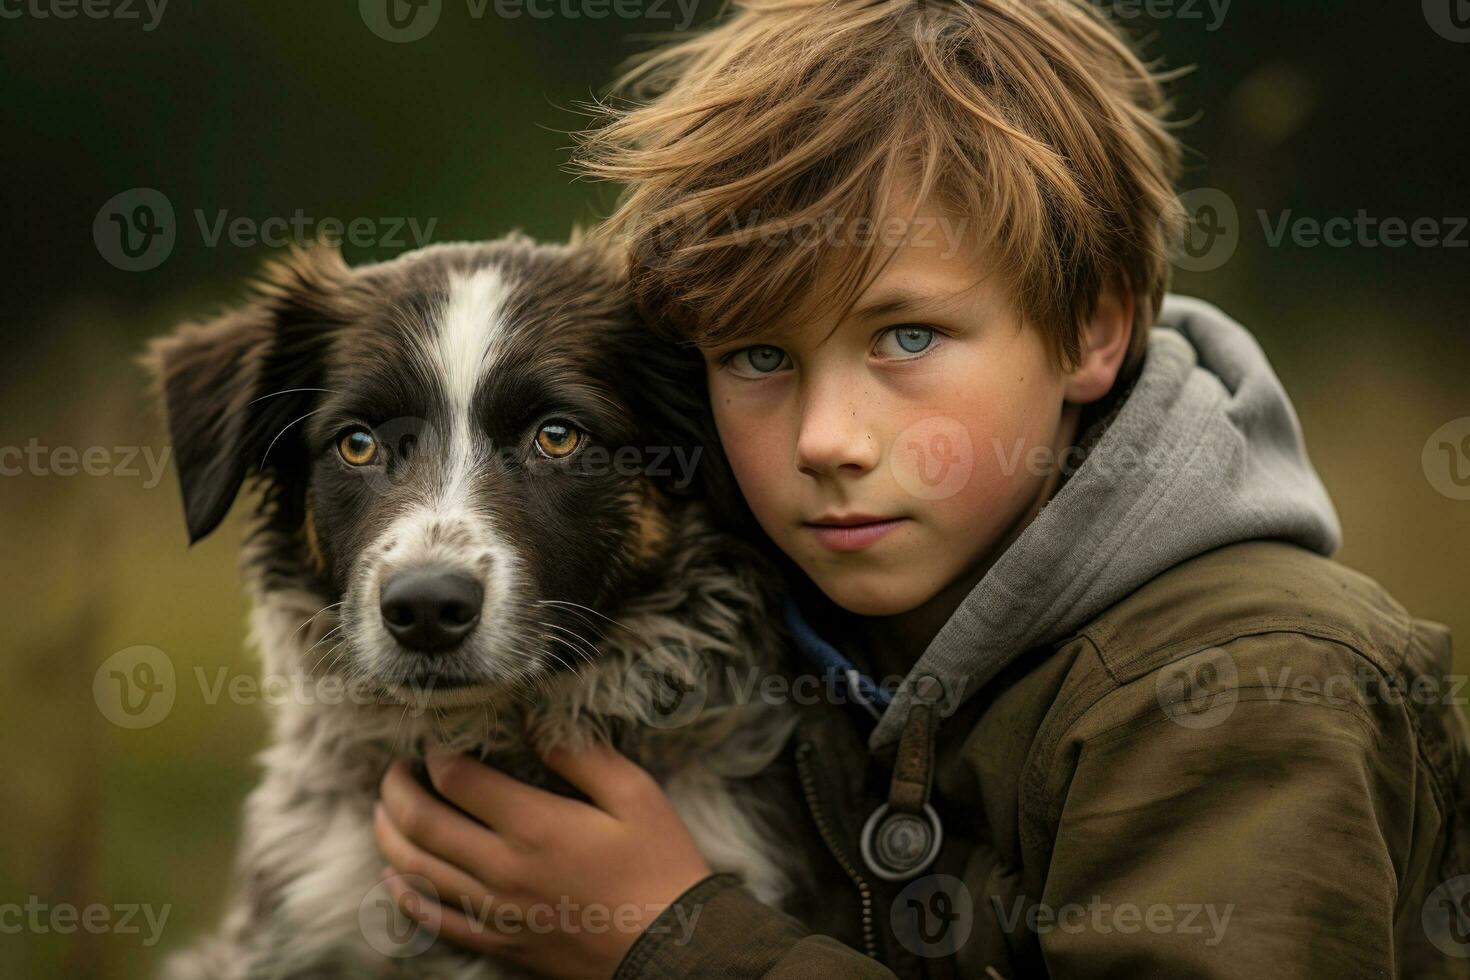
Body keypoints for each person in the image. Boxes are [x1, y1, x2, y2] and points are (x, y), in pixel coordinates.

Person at [372, 1, 1470, 975]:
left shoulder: (1249, 686)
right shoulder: (789, 634)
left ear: (1093, 326)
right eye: (758, 356)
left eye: (907, 335)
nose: (827, 438)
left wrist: (673, 939)